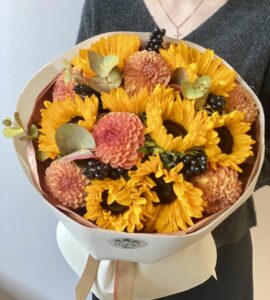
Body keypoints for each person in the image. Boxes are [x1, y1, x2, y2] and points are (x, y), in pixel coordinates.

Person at [76, 0, 270, 299]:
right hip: (115, 245)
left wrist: (210, 184)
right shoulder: (106, 4)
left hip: (214, 253)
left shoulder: (261, 16)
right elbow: (76, 92)